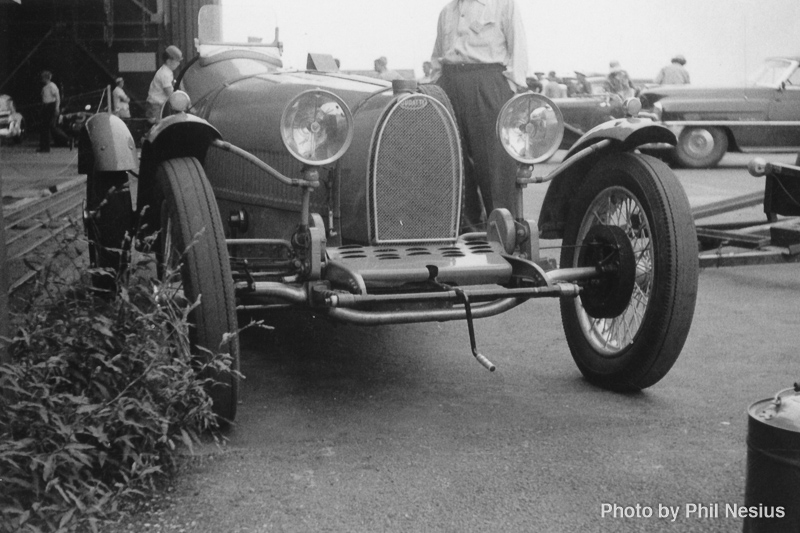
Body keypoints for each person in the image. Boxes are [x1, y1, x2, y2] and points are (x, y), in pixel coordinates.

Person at [429, 0, 528, 232]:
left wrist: (505, 89)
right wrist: (437, 86)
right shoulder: (447, 11)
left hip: (487, 82)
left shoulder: (503, 5)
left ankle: (504, 239)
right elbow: (437, 58)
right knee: (455, 167)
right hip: (449, 84)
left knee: (495, 168)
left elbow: (519, 51)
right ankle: (466, 239)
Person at [146, 45, 183, 124]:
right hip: (156, 106)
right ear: (169, 61)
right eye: (177, 61)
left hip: (158, 105)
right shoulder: (165, 74)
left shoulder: (167, 71)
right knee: (158, 126)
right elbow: (169, 92)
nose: (178, 64)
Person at [37, 70, 68, 152]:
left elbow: (57, 97)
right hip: (46, 106)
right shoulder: (46, 87)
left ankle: (46, 147)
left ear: (46, 78)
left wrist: (57, 108)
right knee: (44, 127)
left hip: (50, 106)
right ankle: (43, 146)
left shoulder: (52, 86)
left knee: (47, 127)